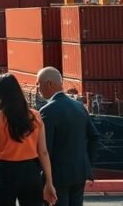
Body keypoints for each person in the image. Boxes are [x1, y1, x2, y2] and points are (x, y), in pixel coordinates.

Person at [0, 73, 56, 206]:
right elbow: (43, 152)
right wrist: (49, 182)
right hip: (31, 170)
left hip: (6, 171)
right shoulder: (35, 116)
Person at [38, 67, 99, 206]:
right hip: (80, 172)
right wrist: (87, 163)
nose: (38, 89)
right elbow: (94, 136)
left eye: (38, 84)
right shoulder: (79, 107)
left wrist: (45, 178)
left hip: (57, 177)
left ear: (48, 83)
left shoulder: (47, 110)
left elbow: (45, 149)